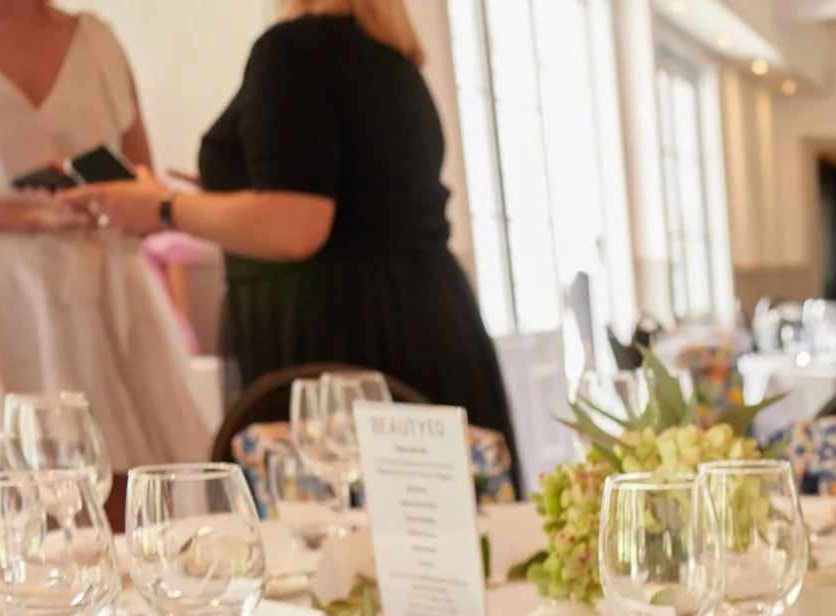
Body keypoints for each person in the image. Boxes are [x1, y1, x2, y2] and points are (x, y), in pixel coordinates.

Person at [73, 0, 514, 457]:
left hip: (335, 336)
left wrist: (163, 208)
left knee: (334, 516)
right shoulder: (393, 59)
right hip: (423, 320)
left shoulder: (290, 52)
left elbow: (296, 227)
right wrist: (229, 193)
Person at [0, 1, 207, 472]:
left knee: (137, 483)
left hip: (105, 299)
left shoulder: (96, 42)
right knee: (9, 496)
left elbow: (141, 181)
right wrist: (21, 217)